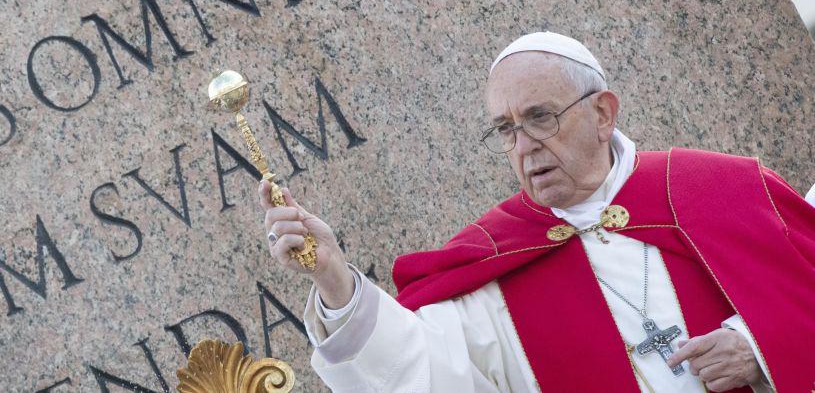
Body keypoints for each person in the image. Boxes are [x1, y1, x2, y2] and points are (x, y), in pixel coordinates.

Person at [258, 32, 815, 393]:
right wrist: (333, 278)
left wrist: (757, 346)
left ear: (603, 114)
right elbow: (419, 372)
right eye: (506, 129)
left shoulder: (721, 190)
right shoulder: (493, 262)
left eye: (540, 117)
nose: (524, 146)